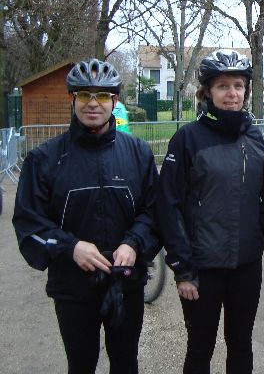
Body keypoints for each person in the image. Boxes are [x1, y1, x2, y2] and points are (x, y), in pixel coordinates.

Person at [13, 59, 159, 374]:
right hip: (73, 288)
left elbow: (154, 211)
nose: (93, 103)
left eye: (102, 95)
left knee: (126, 364)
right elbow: (28, 223)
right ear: (72, 98)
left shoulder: (138, 154)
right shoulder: (44, 159)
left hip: (125, 283)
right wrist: (71, 247)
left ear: (115, 101)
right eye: (84, 95)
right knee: (81, 365)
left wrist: (134, 243)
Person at [156, 49, 264, 374]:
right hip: (202, 269)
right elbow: (168, 205)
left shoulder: (255, 136)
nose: (232, 93)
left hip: (246, 265)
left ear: (247, 90)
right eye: (223, 86)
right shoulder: (187, 139)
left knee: (241, 344)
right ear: (207, 92)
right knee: (200, 348)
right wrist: (182, 268)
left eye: (238, 85)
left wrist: (261, 235)